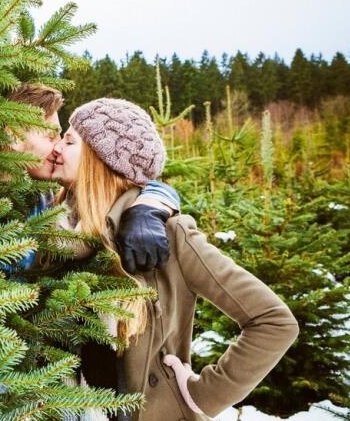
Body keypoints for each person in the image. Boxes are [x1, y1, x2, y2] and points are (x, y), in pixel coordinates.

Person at [49, 97, 299, 421]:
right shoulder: (53, 229)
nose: (56, 148)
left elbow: (274, 321)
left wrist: (199, 399)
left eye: (69, 141)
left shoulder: (168, 235)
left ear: (99, 159)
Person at [0, 84, 180, 276]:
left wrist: (147, 211)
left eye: (64, 139)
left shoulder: (48, 200)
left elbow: (128, 182)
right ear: (13, 136)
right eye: (50, 136)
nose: (58, 147)